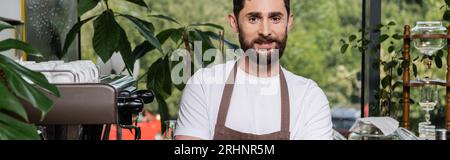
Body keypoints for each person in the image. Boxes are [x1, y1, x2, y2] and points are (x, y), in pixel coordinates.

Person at [174, 0, 332, 140]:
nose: (265, 31)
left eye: (275, 18)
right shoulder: (202, 86)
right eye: (253, 18)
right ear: (234, 22)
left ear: (289, 22)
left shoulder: (309, 97)